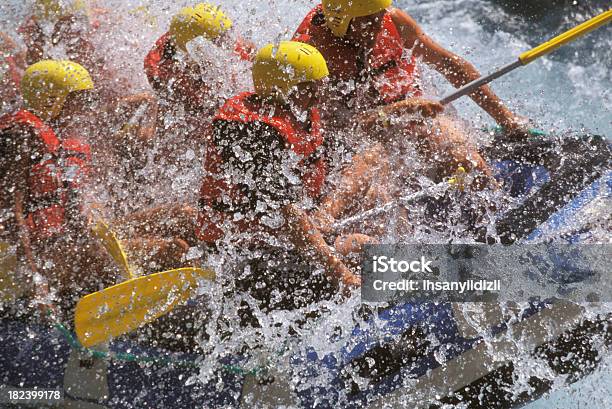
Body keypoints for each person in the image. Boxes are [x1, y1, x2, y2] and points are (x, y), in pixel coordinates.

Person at [293, 0, 514, 228]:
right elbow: (342, 130)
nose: (378, 24)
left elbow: (452, 65)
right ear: (341, 22)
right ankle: (322, 224)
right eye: (368, 20)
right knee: (377, 176)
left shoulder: (394, 20)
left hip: (408, 112)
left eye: (379, 15)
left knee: (463, 155)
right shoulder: (314, 52)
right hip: (358, 142)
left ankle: (503, 217)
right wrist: (400, 111)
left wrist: (506, 119)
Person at [0, 60, 119, 316]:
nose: (87, 108)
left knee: (177, 226)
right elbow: (10, 214)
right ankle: (113, 327)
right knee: (97, 257)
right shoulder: (19, 138)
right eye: (79, 100)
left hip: (58, 249)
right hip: (21, 264)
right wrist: (35, 283)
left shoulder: (63, 139)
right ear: (51, 101)